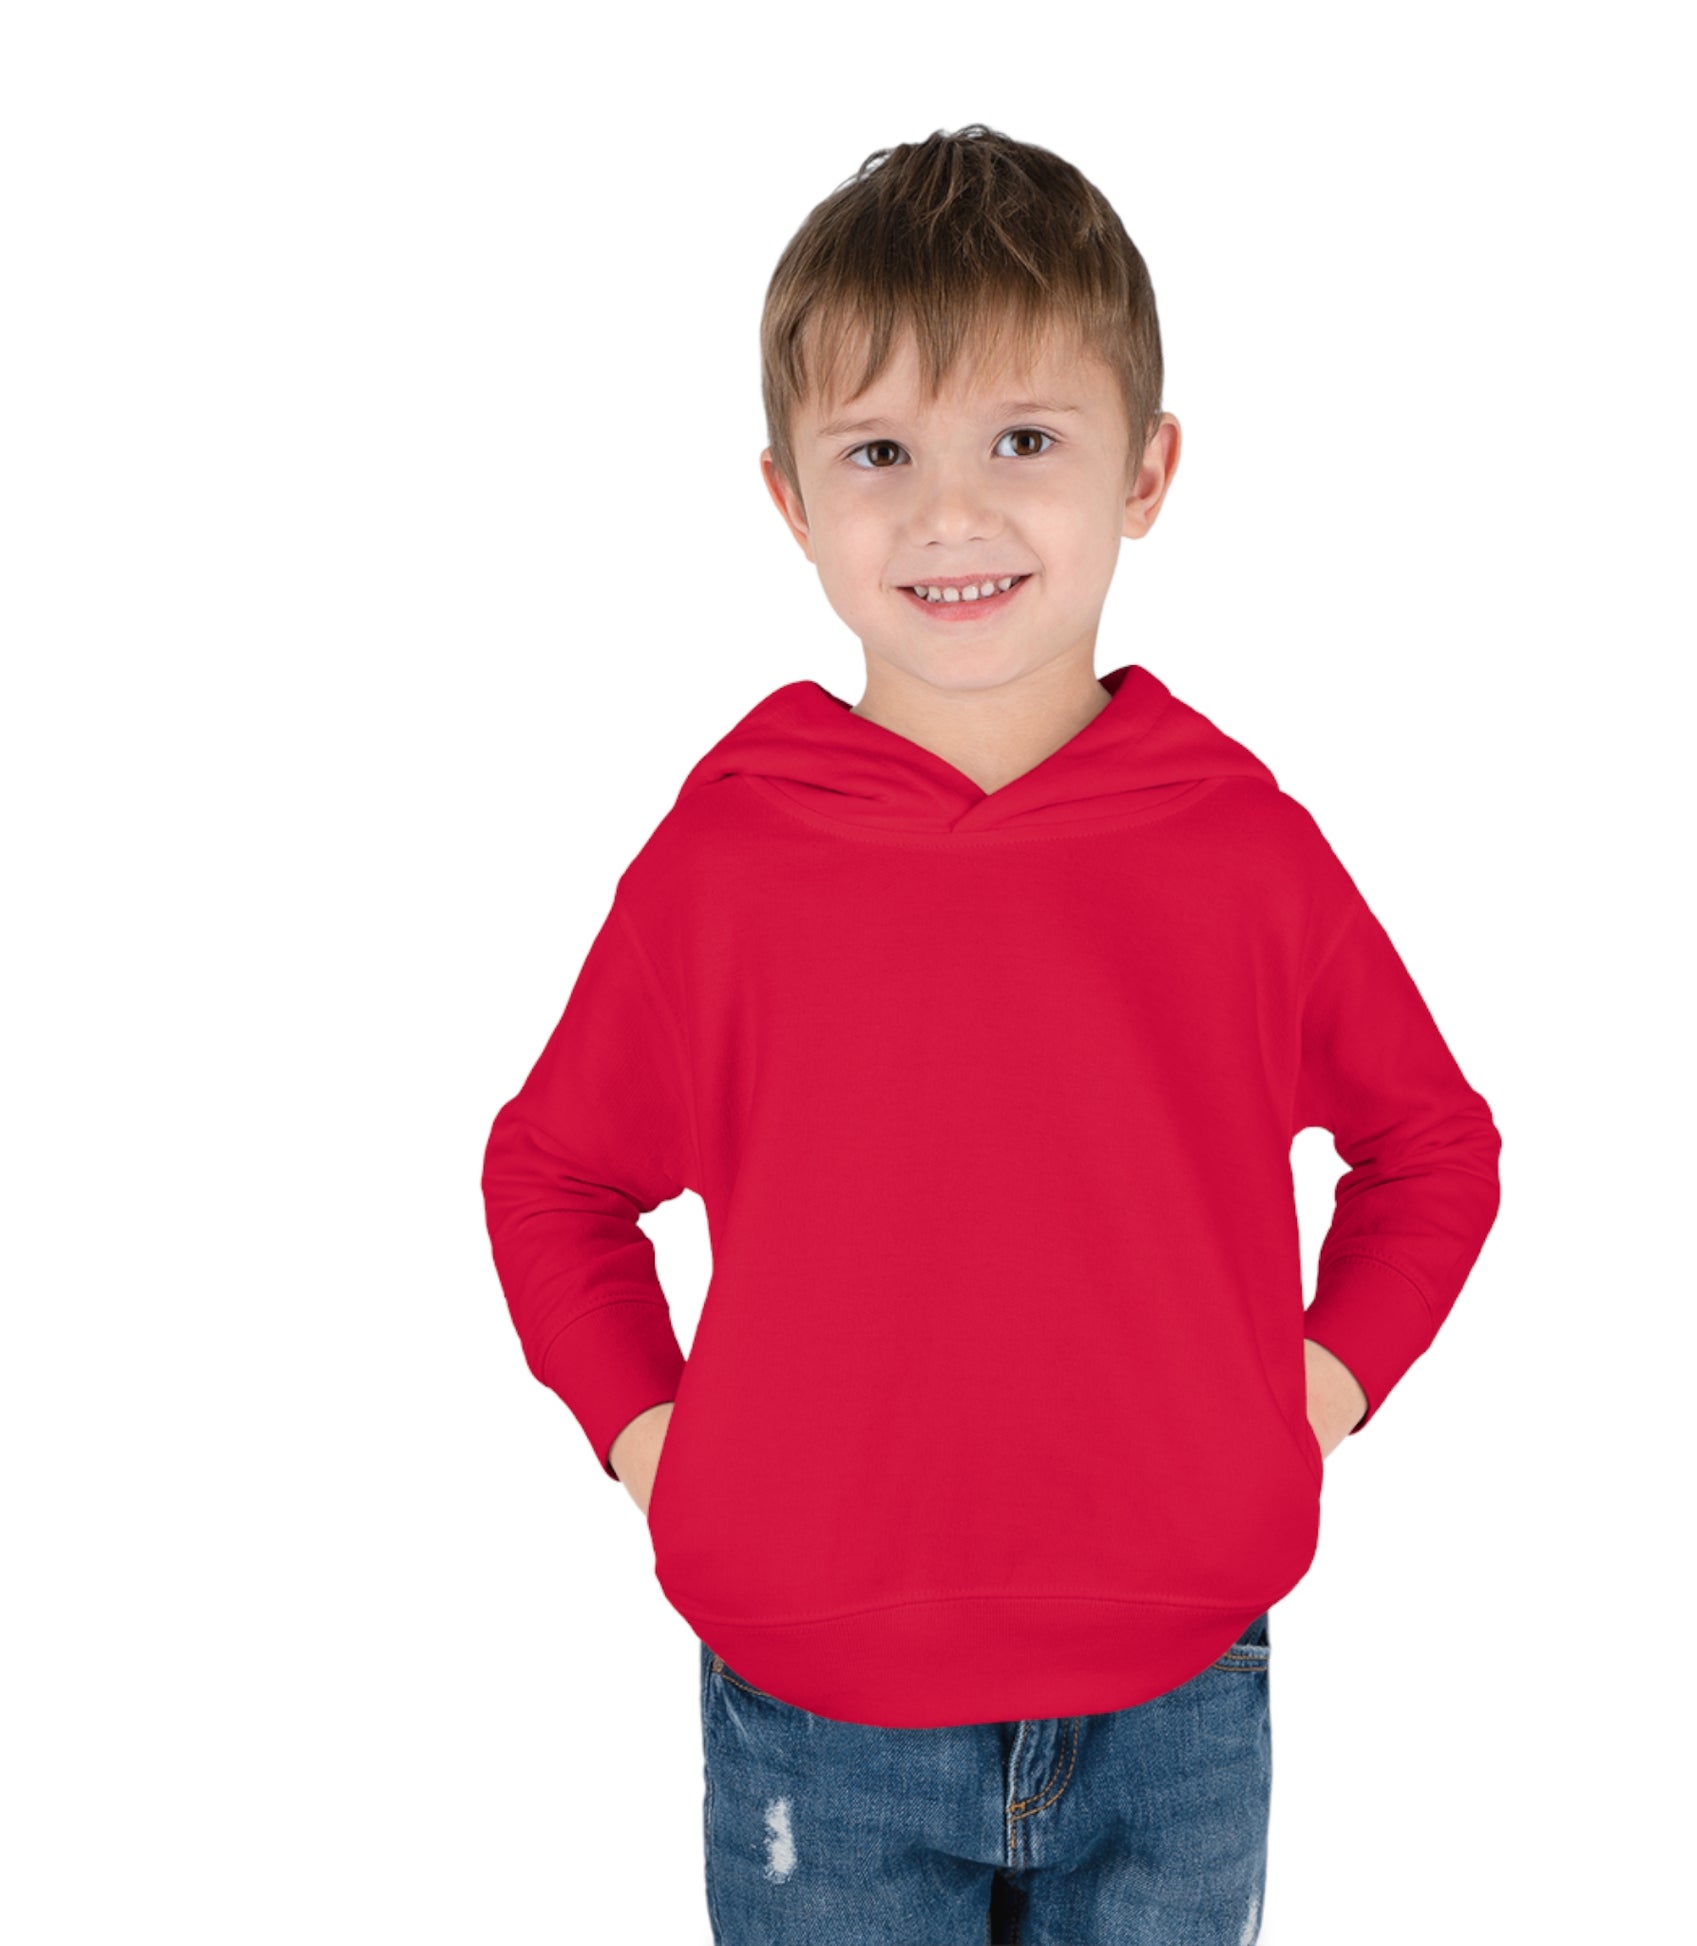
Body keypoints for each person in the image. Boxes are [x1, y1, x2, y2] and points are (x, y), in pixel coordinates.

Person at [481, 123, 1501, 1946]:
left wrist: (1315, 1391)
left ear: (1146, 469)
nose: (950, 515)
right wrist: (651, 1440)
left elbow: (1429, 1143)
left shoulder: (1238, 845)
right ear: (790, 498)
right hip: (816, 1705)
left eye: (1023, 440)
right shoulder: (727, 859)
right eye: (879, 452)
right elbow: (553, 1171)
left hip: (1177, 1694)